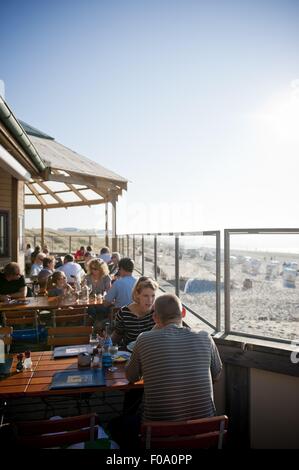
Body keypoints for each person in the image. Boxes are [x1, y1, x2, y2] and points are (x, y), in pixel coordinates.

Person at [109, 293, 222, 448]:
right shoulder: (205, 337)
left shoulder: (144, 339)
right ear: (183, 313)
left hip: (159, 437)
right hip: (204, 434)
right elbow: (217, 375)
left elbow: (131, 376)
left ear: (155, 318)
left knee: (116, 424)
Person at [111, 277, 157, 347]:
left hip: (151, 353)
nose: (150, 300)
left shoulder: (157, 312)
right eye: (145, 296)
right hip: (129, 354)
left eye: (153, 296)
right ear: (137, 295)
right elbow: (116, 337)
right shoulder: (124, 313)